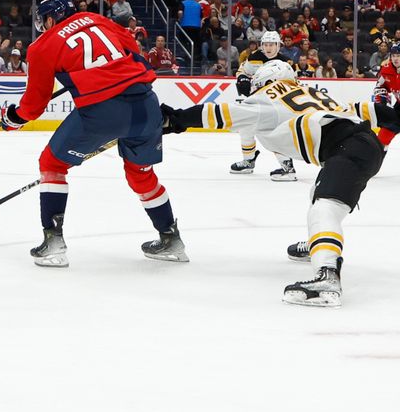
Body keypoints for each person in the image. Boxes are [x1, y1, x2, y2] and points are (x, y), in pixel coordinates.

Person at [161, 60, 400, 306]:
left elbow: (217, 115)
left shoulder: (268, 100)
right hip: (363, 144)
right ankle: (316, 243)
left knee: (324, 208)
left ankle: (327, 273)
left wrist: (174, 120)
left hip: (346, 149)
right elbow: (365, 109)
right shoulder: (311, 92)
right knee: (319, 194)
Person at [0, 0, 188, 268]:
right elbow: (136, 56)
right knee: (141, 174)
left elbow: (33, 106)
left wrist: (13, 118)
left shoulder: (42, 46)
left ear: (50, 19)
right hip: (146, 104)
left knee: (52, 164)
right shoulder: (101, 20)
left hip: (101, 111)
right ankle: (172, 240)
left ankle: (53, 244)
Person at [231, 31, 296, 181]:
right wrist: (242, 78)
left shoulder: (286, 63)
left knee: (273, 132)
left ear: (278, 46)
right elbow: (243, 71)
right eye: (265, 44)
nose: (268, 48)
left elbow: (293, 84)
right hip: (257, 101)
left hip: (277, 105)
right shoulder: (254, 57)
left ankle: (287, 165)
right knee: (245, 127)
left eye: (271, 44)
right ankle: (248, 160)